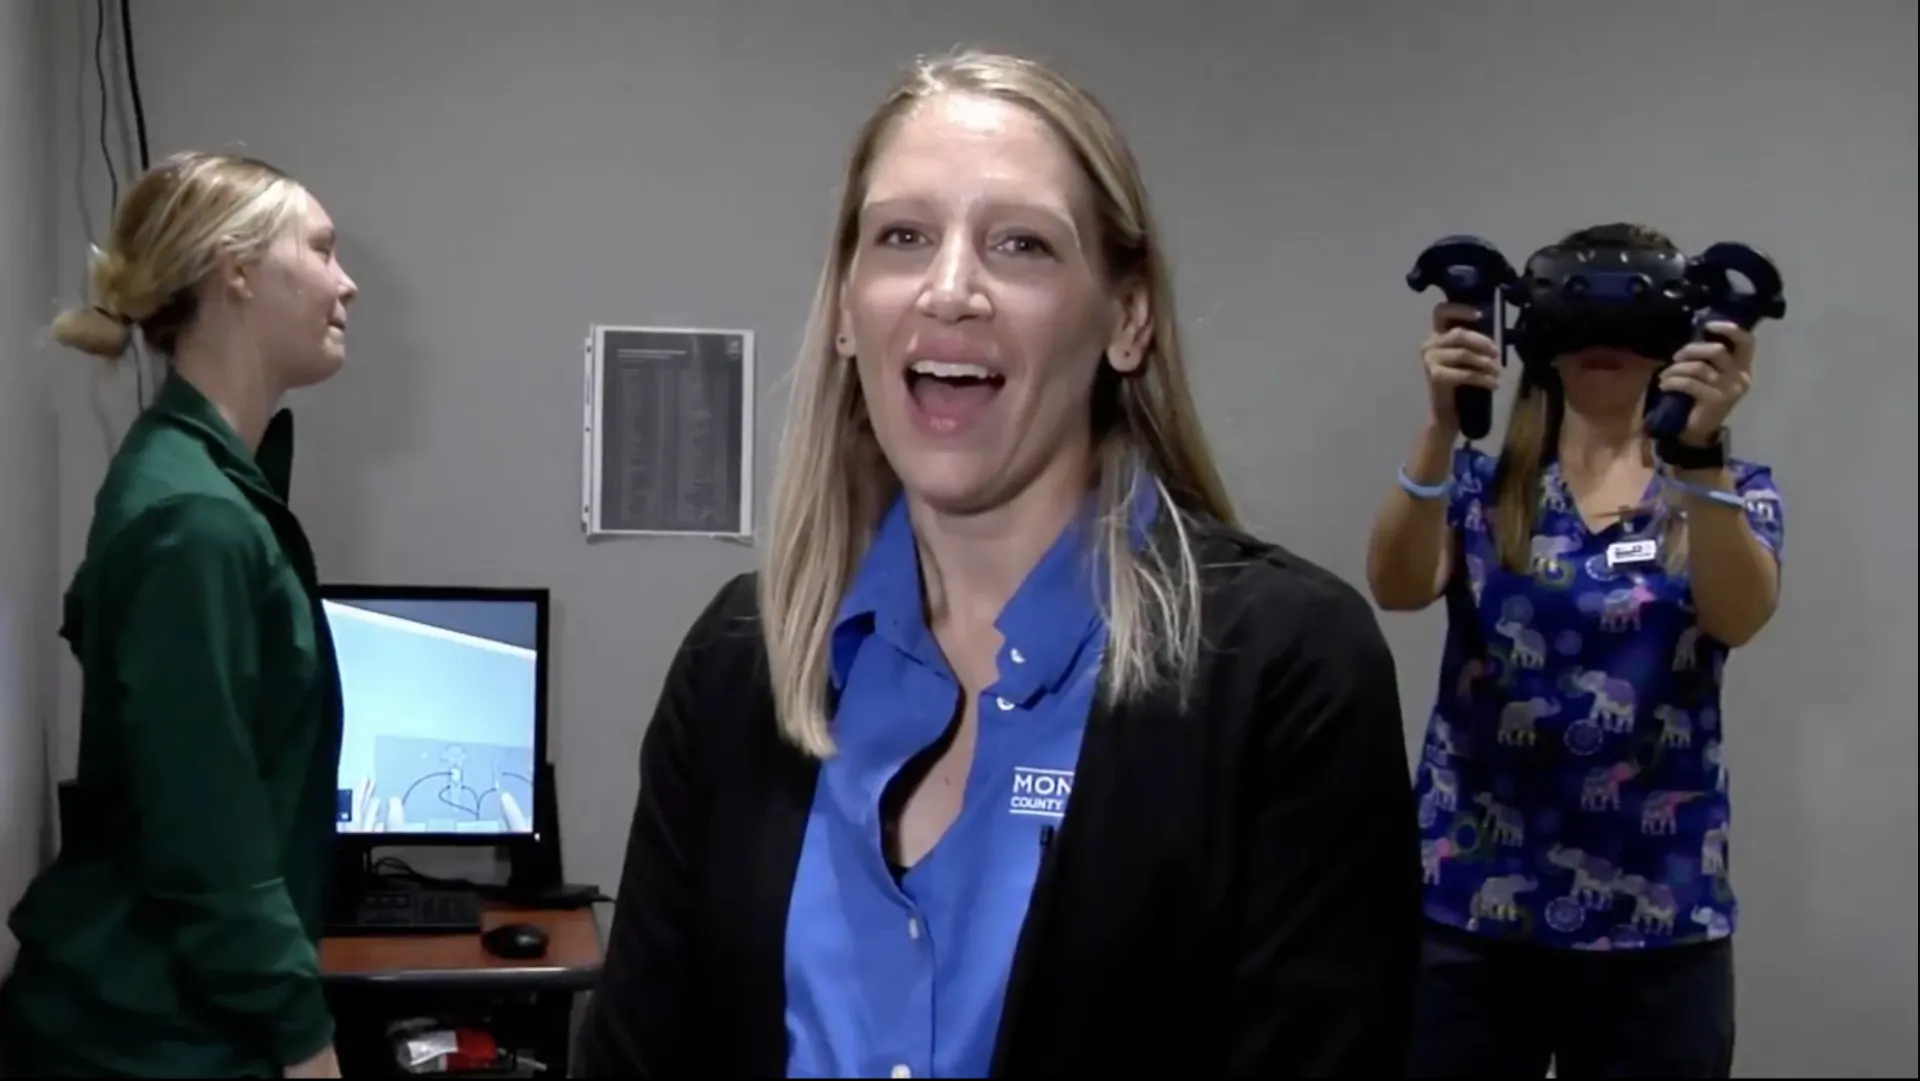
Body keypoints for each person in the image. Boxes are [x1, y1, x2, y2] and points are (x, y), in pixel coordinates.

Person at [575, 49, 1420, 1078]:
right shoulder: (742, 661)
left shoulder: (1285, 667)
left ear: (1128, 318)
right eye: (903, 236)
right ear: (847, 308)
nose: (950, 288)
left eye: (1021, 244)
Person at [1368, 223, 1784, 1078]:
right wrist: (1442, 428)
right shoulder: (1483, 489)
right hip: (1471, 908)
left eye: (1630, 323)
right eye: (1582, 320)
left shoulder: (1727, 495)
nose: (1605, 346)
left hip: (1659, 917)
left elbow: (1737, 615)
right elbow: (1397, 583)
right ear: (1539, 340)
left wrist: (1698, 452)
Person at [0, 151, 359, 1079]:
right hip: (152, 1040)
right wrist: (306, 1040)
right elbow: (210, 836)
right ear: (236, 270)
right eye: (321, 250)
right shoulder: (193, 517)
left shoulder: (200, 483)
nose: (345, 282)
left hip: (176, 1022)